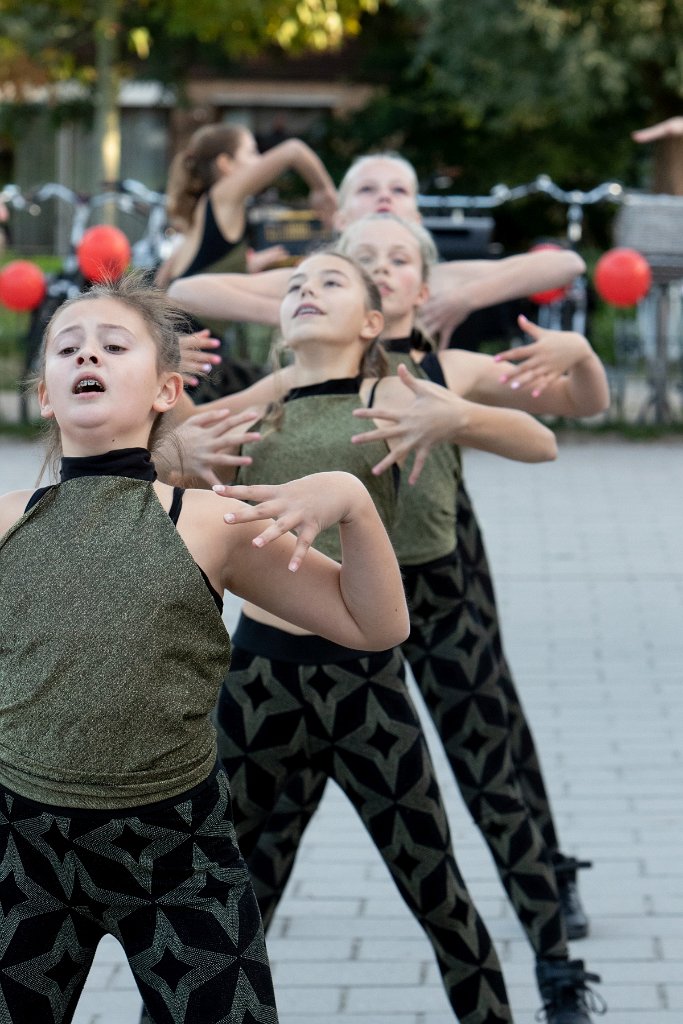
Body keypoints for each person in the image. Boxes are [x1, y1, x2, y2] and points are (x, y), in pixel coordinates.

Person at [0, 273, 410, 1024]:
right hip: (26, 854)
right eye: (68, 347)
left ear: (165, 390)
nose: (87, 353)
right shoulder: (5, 523)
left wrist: (352, 504)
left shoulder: (208, 521)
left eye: (113, 345)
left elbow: (373, 626)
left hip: (178, 856)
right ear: (47, 397)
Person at [225, 221, 608, 1024]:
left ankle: (553, 967)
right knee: (228, 888)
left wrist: (466, 412)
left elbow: (551, 428)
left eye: (387, 261)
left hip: (399, 628)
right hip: (266, 667)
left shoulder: (419, 382)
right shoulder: (266, 399)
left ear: (394, 303)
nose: (317, 285)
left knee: (469, 822)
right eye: (324, 269)